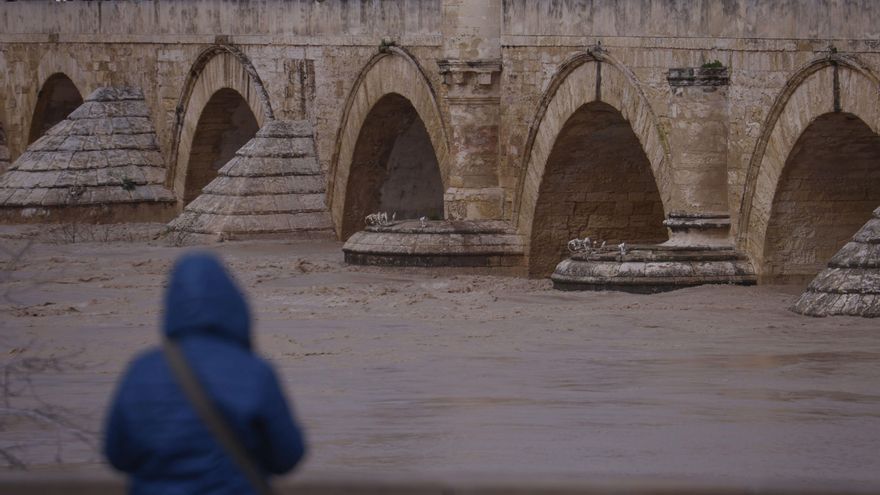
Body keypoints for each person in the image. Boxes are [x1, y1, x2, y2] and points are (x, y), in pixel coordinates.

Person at [104, 252, 305, 494]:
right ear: (233, 302)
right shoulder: (255, 372)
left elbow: (117, 456)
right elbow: (287, 457)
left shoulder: (141, 371)